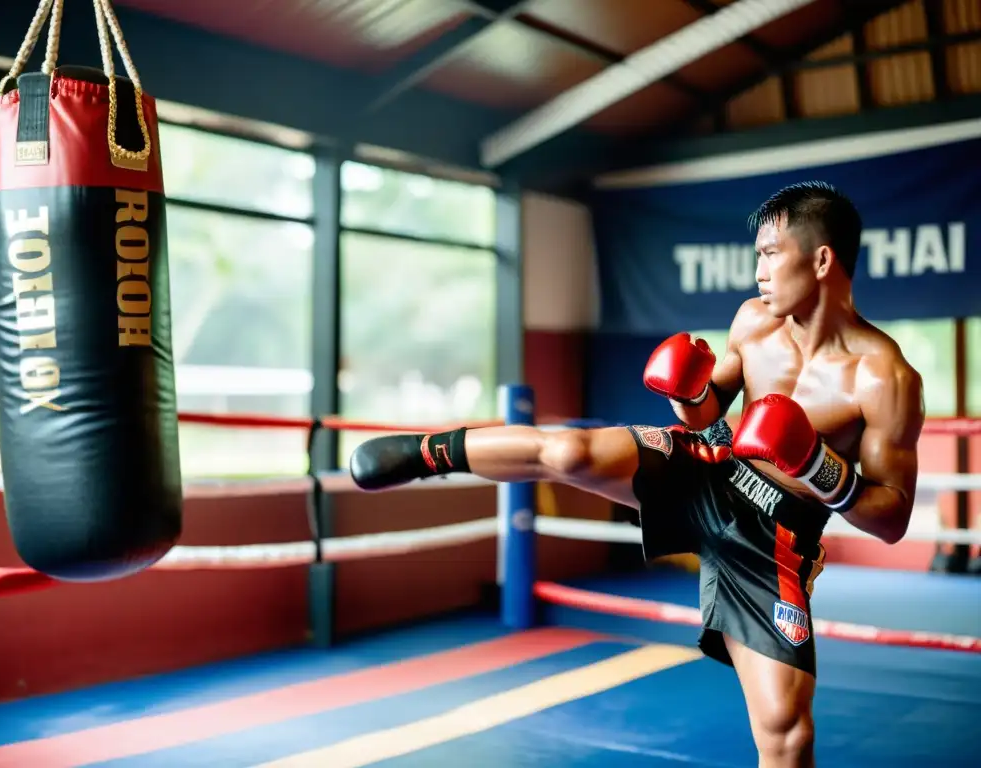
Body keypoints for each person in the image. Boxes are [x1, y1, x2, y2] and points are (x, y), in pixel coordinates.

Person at [348, 181, 925, 768]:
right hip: (711, 469)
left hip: (775, 539)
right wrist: (689, 392)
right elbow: (706, 412)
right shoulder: (754, 322)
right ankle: (428, 453)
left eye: (770, 253)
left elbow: (894, 518)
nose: (759, 271)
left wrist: (818, 468)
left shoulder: (885, 379)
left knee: (787, 733)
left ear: (822, 258)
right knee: (570, 453)